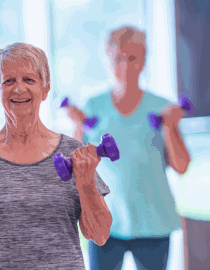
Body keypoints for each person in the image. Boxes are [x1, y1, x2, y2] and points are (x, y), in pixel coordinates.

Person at [0, 42, 113, 269]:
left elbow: (99, 235)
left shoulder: (73, 153)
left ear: (45, 89)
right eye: (9, 81)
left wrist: (86, 181)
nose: (19, 89)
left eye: (29, 80)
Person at [67, 26, 191, 270]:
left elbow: (182, 166)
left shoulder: (163, 108)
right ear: (107, 60)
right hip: (105, 221)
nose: (124, 66)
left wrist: (169, 127)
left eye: (132, 58)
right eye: (118, 58)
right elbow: (77, 166)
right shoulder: (93, 106)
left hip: (153, 223)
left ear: (144, 60)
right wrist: (77, 126)